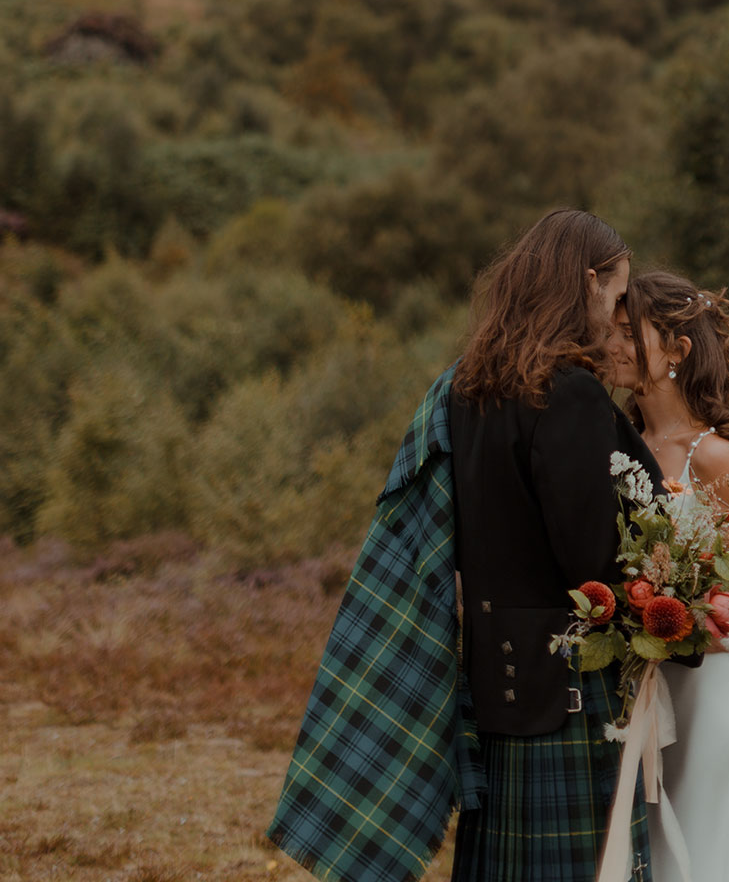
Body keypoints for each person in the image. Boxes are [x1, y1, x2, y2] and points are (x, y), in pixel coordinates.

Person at [267, 207, 660, 882]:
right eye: (618, 295)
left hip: (494, 686)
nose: (619, 315)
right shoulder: (569, 396)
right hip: (569, 689)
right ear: (587, 282)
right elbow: (589, 561)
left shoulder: (469, 387)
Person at [609, 269, 729, 882]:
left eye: (625, 332)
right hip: (651, 685)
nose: (610, 345)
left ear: (676, 349)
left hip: (714, 683)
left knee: (716, 846)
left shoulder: (713, 455)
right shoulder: (620, 447)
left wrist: (695, 616)